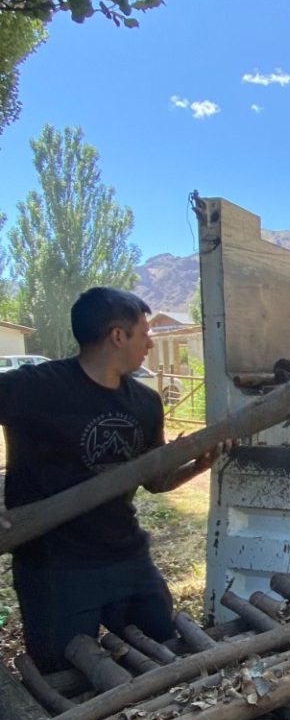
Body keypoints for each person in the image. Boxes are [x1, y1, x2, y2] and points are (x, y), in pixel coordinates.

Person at [0, 287, 221, 672]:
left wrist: (198, 465)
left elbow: (154, 481)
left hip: (128, 559)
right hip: (55, 569)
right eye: (145, 333)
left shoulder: (145, 402)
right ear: (117, 336)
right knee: (63, 678)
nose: (151, 344)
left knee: (162, 656)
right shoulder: (34, 387)